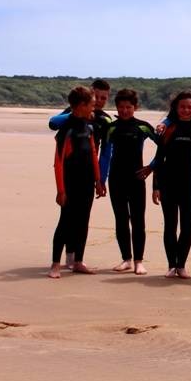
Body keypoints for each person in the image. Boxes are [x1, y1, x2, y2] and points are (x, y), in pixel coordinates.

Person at [139, 90, 191, 278]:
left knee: (187, 226)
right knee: (170, 226)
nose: (186, 110)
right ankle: (171, 265)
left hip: (188, 186)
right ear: (176, 109)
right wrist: (155, 187)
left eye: (189, 107)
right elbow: (160, 158)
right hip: (168, 184)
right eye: (182, 107)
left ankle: (181, 265)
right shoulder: (169, 129)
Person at [48, 78, 113, 267]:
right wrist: (75, 115)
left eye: (104, 98)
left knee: (83, 218)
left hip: (88, 172)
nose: (99, 101)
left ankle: (77, 258)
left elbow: (104, 153)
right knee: (68, 217)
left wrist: (100, 178)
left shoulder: (103, 120)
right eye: (97, 97)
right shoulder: (71, 117)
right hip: (70, 173)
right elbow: (52, 123)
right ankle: (66, 255)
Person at [100, 88, 158, 275]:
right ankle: (126, 259)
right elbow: (105, 155)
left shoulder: (142, 126)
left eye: (128, 107)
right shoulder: (111, 128)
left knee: (138, 220)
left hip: (136, 179)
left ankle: (139, 261)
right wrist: (101, 179)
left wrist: (151, 167)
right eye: (121, 107)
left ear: (135, 107)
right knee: (121, 219)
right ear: (117, 107)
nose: (125, 110)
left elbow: (164, 147)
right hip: (116, 180)